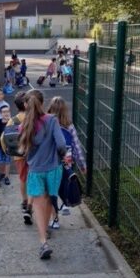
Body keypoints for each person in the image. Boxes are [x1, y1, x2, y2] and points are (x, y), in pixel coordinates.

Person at [19, 90, 66, 259]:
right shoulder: (52, 120)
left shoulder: (24, 125)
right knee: (48, 201)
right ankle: (46, 230)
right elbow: (61, 144)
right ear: (42, 103)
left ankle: (43, 242)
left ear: (26, 104)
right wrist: (61, 157)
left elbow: (22, 150)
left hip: (36, 170)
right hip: (53, 168)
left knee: (38, 205)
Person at [47, 96, 87, 228]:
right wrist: (82, 165)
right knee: (64, 184)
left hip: (51, 162)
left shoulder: (47, 123)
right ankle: (65, 203)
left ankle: (55, 219)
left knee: (52, 190)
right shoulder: (69, 126)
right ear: (65, 110)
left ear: (50, 109)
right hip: (66, 162)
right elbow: (76, 147)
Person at [2, 92, 33, 224]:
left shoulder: (13, 120)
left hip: (18, 155)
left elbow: (3, 138)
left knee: (23, 178)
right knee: (33, 178)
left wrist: (8, 151)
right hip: (33, 154)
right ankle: (32, 203)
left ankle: (24, 201)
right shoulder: (32, 118)